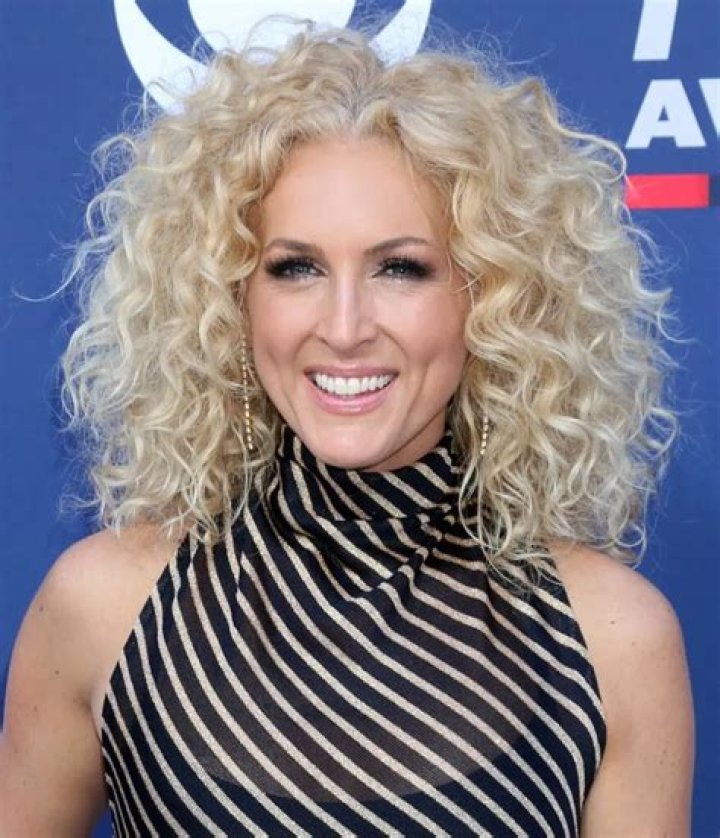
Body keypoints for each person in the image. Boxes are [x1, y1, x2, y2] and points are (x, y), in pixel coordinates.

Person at [0, 22, 693, 837]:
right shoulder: (104, 608)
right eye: (296, 268)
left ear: (493, 298)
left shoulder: (612, 642)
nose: (344, 326)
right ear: (233, 299)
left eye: (401, 268)